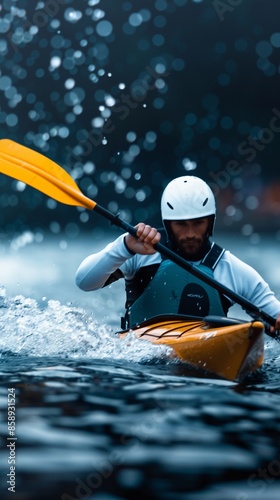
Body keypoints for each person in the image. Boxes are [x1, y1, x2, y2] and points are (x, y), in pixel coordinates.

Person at [75, 176, 280, 333]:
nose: (190, 234)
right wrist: (124, 247)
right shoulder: (140, 251)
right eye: (181, 225)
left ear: (211, 222)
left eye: (198, 224)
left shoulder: (231, 269)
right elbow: (84, 281)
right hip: (140, 366)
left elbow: (275, 314)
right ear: (167, 224)